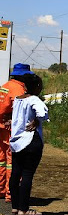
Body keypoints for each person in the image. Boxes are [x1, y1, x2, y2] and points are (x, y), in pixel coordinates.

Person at [9, 74, 48, 215]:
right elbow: (43, 112)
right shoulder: (34, 99)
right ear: (37, 87)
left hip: (17, 141)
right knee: (27, 174)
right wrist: (37, 120)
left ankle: (15, 206)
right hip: (31, 140)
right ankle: (24, 208)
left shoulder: (18, 99)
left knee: (15, 173)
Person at [0, 63, 35, 203]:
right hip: (11, 129)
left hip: (1, 127)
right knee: (13, 161)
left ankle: (1, 190)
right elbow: (21, 110)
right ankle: (11, 193)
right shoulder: (19, 89)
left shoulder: (5, 86)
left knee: (1, 160)